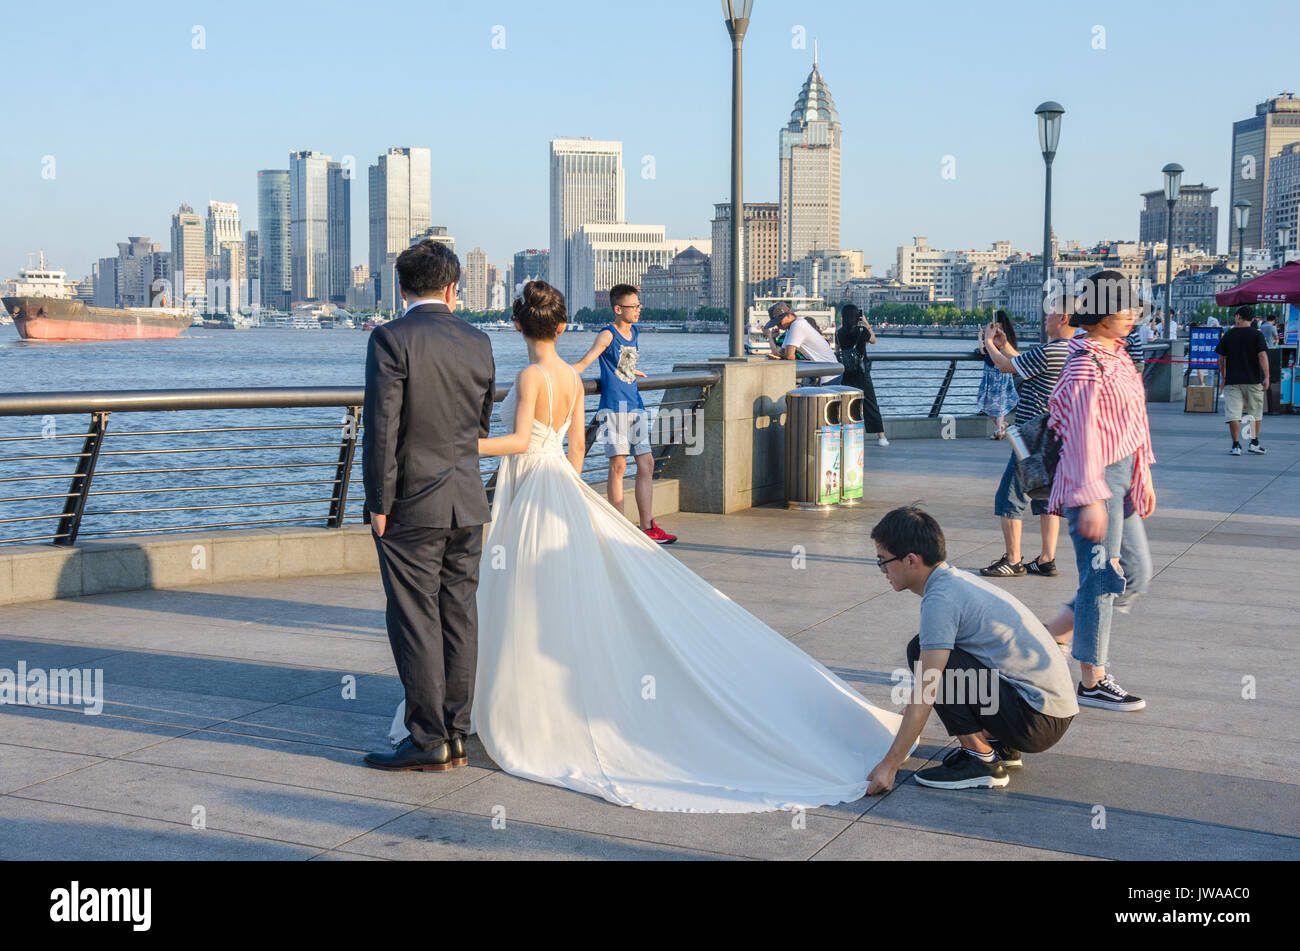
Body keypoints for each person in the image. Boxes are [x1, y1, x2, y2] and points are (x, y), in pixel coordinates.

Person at [389, 280, 906, 812]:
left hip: (529, 487)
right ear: (562, 326)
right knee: (548, 595)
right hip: (559, 486)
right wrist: (568, 489)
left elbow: (519, 443)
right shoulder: (568, 375)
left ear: (517, 326)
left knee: (515, 594)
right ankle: (533, 700)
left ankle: (507, 707)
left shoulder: (527, 374)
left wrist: (453, 443)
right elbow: (576, 446)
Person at [362, 240, 496, 772]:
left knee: (415, 617)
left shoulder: (390, 339)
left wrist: (379, 501)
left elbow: (382, 429)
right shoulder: (479, 340)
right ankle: (457, 732)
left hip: (412, 506)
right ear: (452, 287)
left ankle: (426, 739)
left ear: (401, 288)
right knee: (459, 614)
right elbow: (481, 424)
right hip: (467, 499)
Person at [865, 507, 1077, 792]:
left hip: (1037, 719)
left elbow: (928, 689)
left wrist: (888, 766)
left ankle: (982, 760)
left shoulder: (941, 599)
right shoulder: (954, 582)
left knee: (923, 654)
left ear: (911, 560)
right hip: (1049, 713)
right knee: (931, 653)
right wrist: (901, 722)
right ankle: (1000, 746)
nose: (883, 571)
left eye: (883, 561)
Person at [1042, 270, 1155, 713]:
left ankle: (1053, 633)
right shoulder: (1086, 361)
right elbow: (1082, 434)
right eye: (1126, 309)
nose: (1133, 316)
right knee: (1102, 578)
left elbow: (1136, 423)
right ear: (1103, 313)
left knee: (1136, 572)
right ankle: (1092, 678)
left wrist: (1142, 479)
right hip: (1092, 479)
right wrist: (1090, 498)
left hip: (1121, 478)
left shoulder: (1119, 356)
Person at [977, 297, 1072, 578]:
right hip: (1055, 435)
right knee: (1045, 498)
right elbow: (1021, 363)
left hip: (1033, 435)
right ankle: (1046, 559)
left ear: (1064, 318)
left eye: (1050, 314)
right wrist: (1005, 345)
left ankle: (1013, 559)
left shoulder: (1051, 351)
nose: (1046, 318)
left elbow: (1006, 367)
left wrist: (991, 344)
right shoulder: (1072, 350)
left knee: (1009, 497)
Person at [573, 284, 676, 544]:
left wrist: (632, 370)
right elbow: (585, 363)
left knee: (647, 464)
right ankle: (618, 527)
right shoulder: (607, 334)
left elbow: (624, 363)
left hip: (636, 405)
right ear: (619, 309)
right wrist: (562, 374)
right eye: (634, 307)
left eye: (639, 306)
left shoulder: (635, 331)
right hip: (615, 408)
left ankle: (646, 526)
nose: (639, 310)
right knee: (618, 466)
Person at [1216, 305, 1270, 456]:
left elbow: (1222, 358)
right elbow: (1262, 356)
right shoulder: (1257, 335)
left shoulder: (1229, 334)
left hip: (1232, 380)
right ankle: (1254, 442)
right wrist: (1267, 376)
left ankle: (1236, 445)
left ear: (1238, 317)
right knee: (1255, 412)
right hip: (1253, 380)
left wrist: (1224, 376)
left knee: (1234, 413)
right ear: (1252, 319)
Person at [834, 303, 888, 446]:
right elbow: (873, 340)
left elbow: (837, 350)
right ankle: (881, 437)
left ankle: (848, 435)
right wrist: (865, 322)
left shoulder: (839, 332)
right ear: (856, 316)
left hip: (846, 373)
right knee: (870, 404)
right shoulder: (862, 330)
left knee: (848, 404)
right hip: (862, 373)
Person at [765, 301, 839, 383]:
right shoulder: (790, 328)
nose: (778, 325)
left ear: (789, 315)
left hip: (830, 375)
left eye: (779, 321)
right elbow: (781, 352)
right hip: (822, 371)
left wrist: (781, 356)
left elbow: (789, 356)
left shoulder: (798, 325)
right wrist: (774, 344)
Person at [975, 310, 1019, 438]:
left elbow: (984, 351)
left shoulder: (997, 337)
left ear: (998, 323)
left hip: (994, 372)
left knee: (990, 401)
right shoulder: (1008, 336)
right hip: (1003, 373)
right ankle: (1001, 427)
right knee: (999, 401)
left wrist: (981, 338)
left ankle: (999, 429)